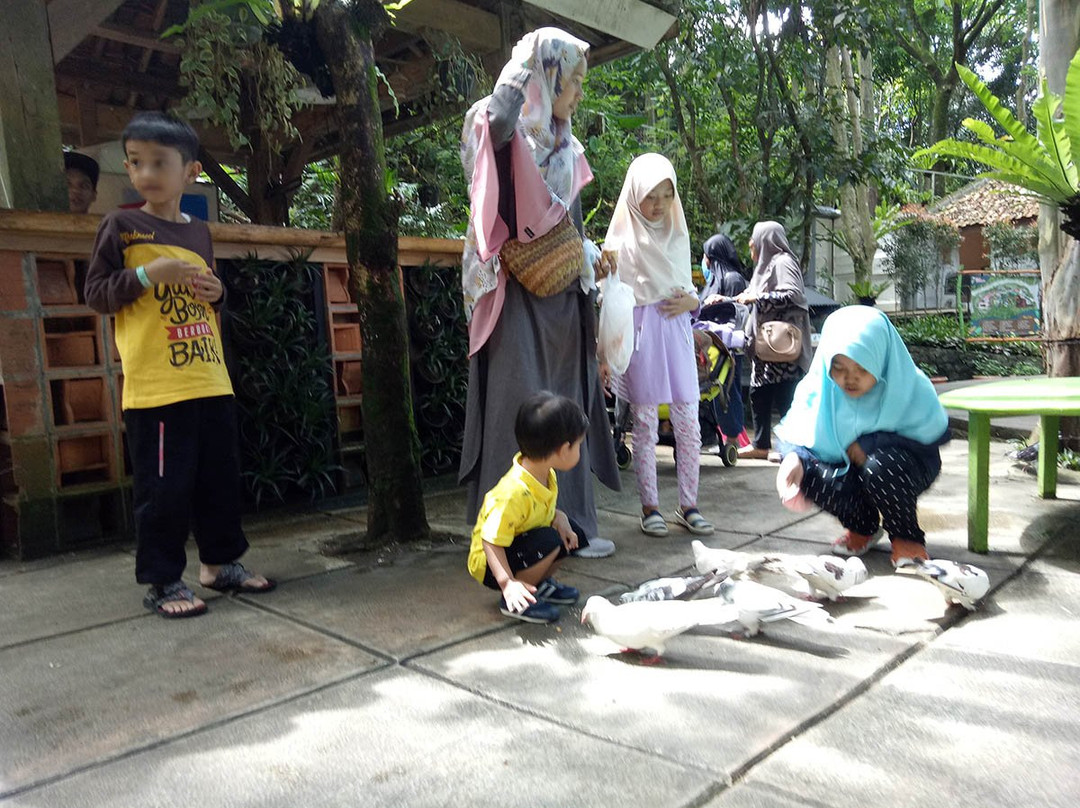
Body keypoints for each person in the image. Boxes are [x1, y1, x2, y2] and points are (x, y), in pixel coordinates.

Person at [84, 111, 273, 618]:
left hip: (209, 377)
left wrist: (217, 293)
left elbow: (208, 297)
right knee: (163, 490)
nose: (145, 173)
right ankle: (164, 581)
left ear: (190, 171)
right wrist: (148, 274)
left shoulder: (199, 232)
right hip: (156, 388)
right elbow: (96, 293)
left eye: (158, 162)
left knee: (218, 480)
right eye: (135, 162)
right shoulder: (121, 226)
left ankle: (220, 564)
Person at [458, 27, 620, 559]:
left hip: (562, 295)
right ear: (547, 78)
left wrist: (590, 256)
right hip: (512, 294)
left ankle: (572, 527)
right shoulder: (496, 125)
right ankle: (514, 540)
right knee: (520, 407)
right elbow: (497, 130)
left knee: (566, 412)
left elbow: (566, 222)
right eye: (573, 81)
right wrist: (518, 72)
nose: (578, 94)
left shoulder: (567, 145)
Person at [773, 306, 950, 568]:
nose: (850, 380)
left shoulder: (909, 385)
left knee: (881, 466)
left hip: (901, 469)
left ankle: (906, 537)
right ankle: (862, 526)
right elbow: (796, 433)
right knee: (806, 472)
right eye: (839, 368)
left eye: (862, 369)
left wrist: (873, 443)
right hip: (850, 470)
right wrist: (793, 458)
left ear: (881, 359)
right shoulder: (819, 386)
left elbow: (932, 437)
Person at [603, 153, 713, 538]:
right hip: (641, 337)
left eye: (667, 195)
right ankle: (650, 507)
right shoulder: (619, 241)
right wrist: (607, 354)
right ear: (635, 195)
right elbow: (609, 297)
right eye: (651, 195)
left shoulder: (677, 234)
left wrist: (692, 302)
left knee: (689, 423)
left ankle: (689, 505)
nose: (659, 204)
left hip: (676, 334)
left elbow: (689, 291)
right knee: (646, 424)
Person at [468, 392, 588, 624]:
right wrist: (507, 583)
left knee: (571, 533)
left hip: (517, 547)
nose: (579, 451)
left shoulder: (545, 474)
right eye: (578, 446)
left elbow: (538, 515)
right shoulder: (512, 492)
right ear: (563, 450)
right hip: (492, 564)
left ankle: (538, 585)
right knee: (549, 540)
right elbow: (490, 541)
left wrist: (560, 517)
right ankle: (515, 597)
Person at [736, 221, 812, 460]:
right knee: (759, 393)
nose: (751, 247)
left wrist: (758, 298)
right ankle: (761, 444)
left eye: (754, 242)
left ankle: (791, 448)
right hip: (766, 347)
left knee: (785, 396)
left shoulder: (783, 262)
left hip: (781, 346)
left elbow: (793, 295)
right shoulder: (766, 265)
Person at [699, 233, 747, 304]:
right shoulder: (714, 280)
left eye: (706, 254)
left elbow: (736, 307)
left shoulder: (733, 279)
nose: (704, 258)